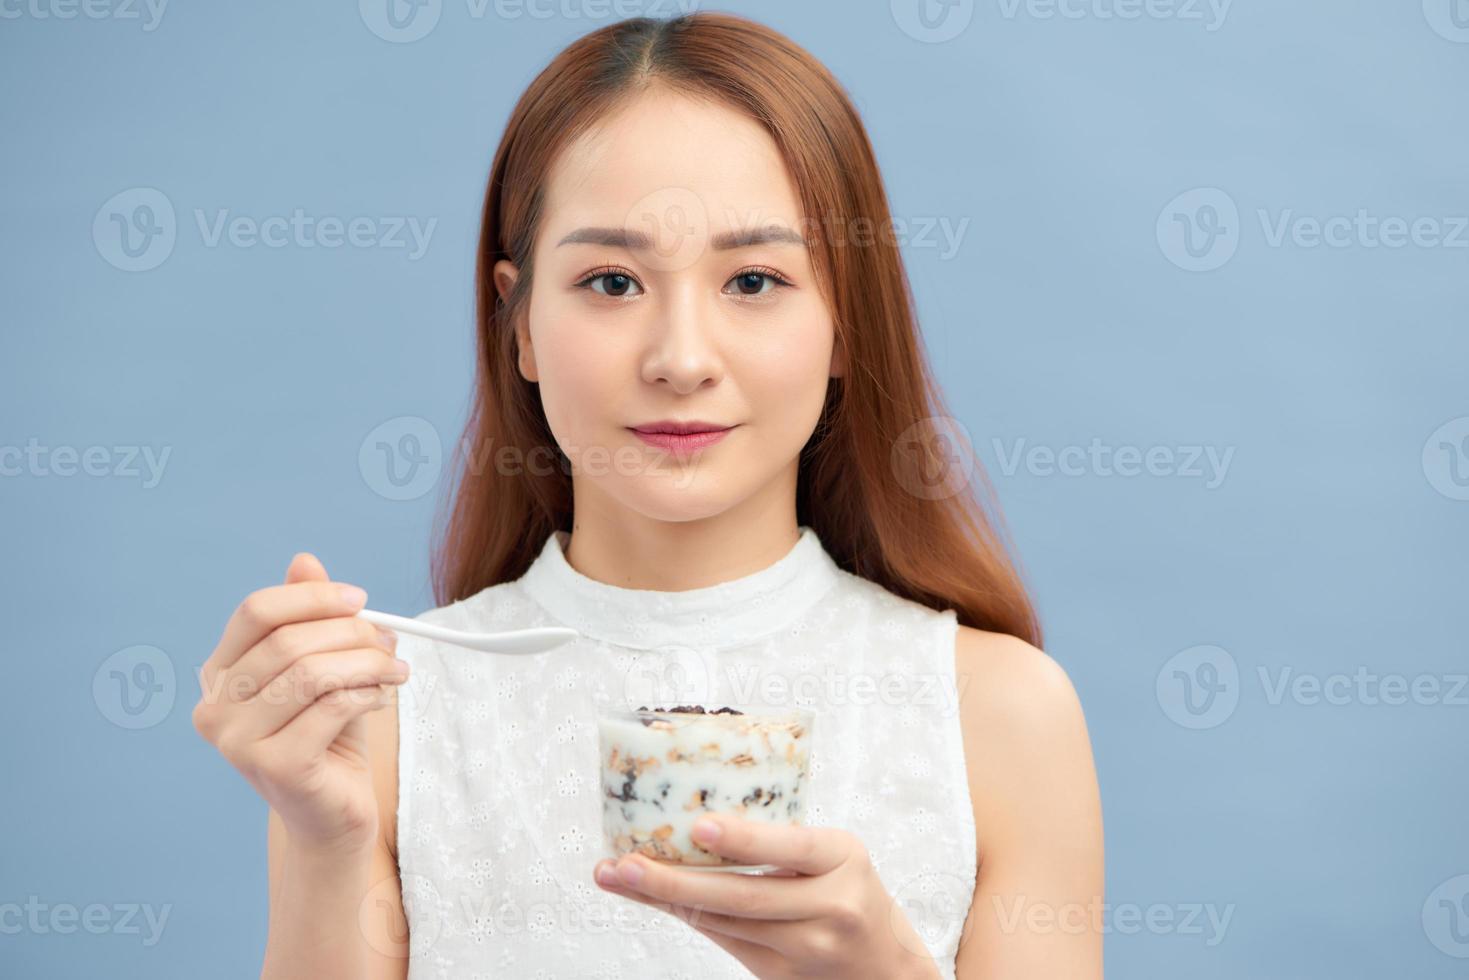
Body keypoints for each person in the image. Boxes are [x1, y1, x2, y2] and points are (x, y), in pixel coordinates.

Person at [192, 12, 1103, 978]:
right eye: (612, 281)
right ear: (521, 325)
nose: (680, 359)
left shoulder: (997, 714)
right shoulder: (381, 724)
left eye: (753, 279)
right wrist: (327, 848)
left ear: (844, 322)